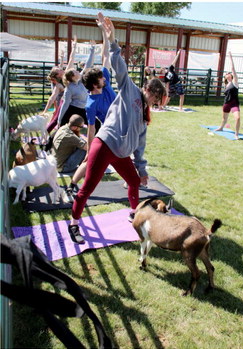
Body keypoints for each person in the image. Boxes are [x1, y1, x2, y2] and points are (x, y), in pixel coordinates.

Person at [67, 14, 166, 244]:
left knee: (133, 182)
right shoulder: (130, 90)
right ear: (149, 90)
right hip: (105, 144)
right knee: (88, 188)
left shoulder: (144, 114)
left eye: (157, 100)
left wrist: (141, 169)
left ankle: (136, 215)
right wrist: (111, 40)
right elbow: (119, 66)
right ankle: (74, 224)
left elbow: (140, 144)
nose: (154, 102)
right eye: (155, 97)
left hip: (121, 153)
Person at [65, 12, 117, 197]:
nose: (105, 77)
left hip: (122, 126)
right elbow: (91, 129)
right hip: (109, 130)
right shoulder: (91, 104)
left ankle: (134, 181)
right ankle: (72, 184)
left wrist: (103, 31)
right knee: (91, 159)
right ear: (95, 84)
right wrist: (89, 148)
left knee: (127, 154)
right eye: (102, 77)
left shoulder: (106, 82)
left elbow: (105, 57)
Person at [57, 38, 96, 127]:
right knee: (62, 126)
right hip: (73, 110)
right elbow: (65, 104)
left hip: (84, 109)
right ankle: (51, 140)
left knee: (96, 124)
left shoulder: (81, 80)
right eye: (75, 72)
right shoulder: (69, 88)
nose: (78, 72)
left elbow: (88, 65)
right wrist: (59, 119)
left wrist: (92, 49)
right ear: (72, 77)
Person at [215, 52, 240, 140]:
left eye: (229, 73)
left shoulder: (234, 82)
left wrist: (230, 57)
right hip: (226, 103)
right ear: (225, 77)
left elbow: (233, 69)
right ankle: (221, 127)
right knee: (224, 118)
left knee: (237, 118)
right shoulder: (226, 85)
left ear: (231, 75)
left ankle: (236, 134)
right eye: (226, 73)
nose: (228, 73)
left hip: (234, 104)